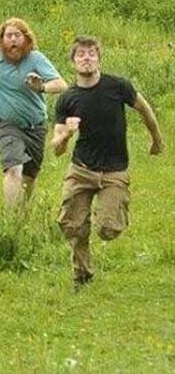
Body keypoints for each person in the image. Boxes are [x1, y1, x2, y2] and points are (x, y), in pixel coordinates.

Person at [51, 36, 164, 290]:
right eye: (81, 54)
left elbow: (144, 109)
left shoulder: (118, 86)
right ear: (73, 62)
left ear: (99, 59)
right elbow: (56, 148)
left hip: (114, 171)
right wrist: (66, 135)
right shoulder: (67, 98)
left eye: (91, 53)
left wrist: (156, 139)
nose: (86, 58)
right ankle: (82, 275)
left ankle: (115, 209)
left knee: (107, 229)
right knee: (73, 226)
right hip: (81, 170)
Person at [0, 17, 67, 208]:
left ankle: (21, 214)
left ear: (26, 39)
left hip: (35, 126)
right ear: (1, 40)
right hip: (5, 123)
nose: (13, 40)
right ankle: (11, 219)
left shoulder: (35, 58)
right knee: (13, 169)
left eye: (17, 35)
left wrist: (41, 87)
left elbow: (61, 84)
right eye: (8, 36)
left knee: (29, 177)